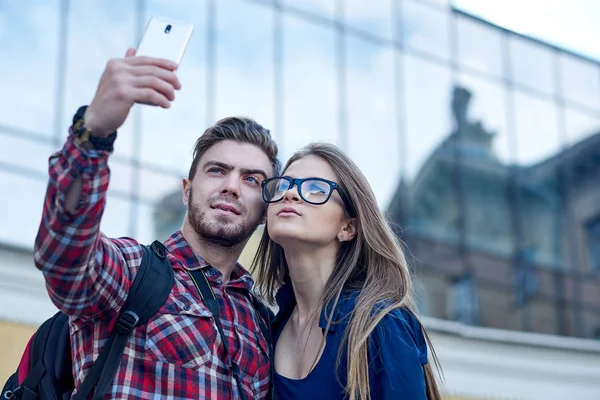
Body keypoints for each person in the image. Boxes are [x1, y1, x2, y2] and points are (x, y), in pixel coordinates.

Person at [34, 48, 280, 399]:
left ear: (264, 209)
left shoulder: (261, 320)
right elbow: (64, 258)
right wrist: (94, 133)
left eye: (252, 179)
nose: (231, 185)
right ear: (186, 190)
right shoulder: (133, 270)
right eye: (217, 170)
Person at [252, 142, 443, 399]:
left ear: (348, 227)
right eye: (283, 185)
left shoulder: (381, 323)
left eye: (316, 189)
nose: (290, 194)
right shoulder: (266, 330)